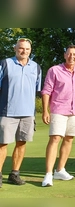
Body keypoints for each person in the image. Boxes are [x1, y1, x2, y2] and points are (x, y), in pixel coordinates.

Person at [41, 45, 75, 187]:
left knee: (69, 139)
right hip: (58, 109)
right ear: (64, 55)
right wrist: (45, 111)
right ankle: (48, 174)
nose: (72, 56)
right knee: (55, 138)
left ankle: (60, 170)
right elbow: (46, 91)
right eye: (69, 54)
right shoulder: (54, 70)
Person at [0, 38, 41, 187]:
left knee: (21, 143)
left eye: (27, 49)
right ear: (15, 48)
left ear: (30, 50)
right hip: (7, 112)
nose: (24, 51)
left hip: (27, 113)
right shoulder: (5, 64)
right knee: (2, 144)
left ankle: (14, 174)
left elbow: (37, 90)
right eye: (21, 48)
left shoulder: (36, 67)